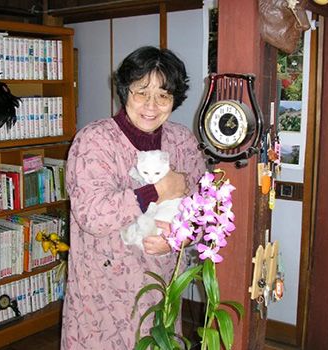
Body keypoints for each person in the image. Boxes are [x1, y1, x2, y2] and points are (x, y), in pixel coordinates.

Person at [61, 46, 207, 349]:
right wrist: (157, 190)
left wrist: (181, 238)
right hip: (104, 292)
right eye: (142, 92)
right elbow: (92, 215)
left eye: (164, 96)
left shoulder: (182, 141)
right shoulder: (94, 140)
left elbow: (204, 208)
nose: (152, 105)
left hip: (161, 284)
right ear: (125, 90)